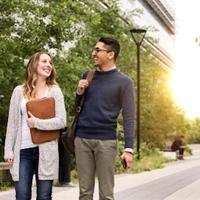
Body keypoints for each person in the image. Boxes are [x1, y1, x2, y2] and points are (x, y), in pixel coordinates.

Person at [75, 37, 135, 200]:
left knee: (106, 195)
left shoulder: (125, 82)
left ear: (110, 54)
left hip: (106, 142)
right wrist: (79, 92)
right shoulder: (88, 76)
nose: (93, 53)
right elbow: (78, 107)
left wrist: (128, 149)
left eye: (97, 50)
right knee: (84, 193)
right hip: (82, 140)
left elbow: (129, 116)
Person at [4, 51, 66, 200]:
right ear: (34, 64)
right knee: (22, 195)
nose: (48, 65)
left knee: (44, 196)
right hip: (23, 151)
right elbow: (12, 124)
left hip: (46, 150)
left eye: (50, 62)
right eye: (44, 61)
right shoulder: (19, 91)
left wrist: (36, 123)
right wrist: (8, 150)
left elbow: (61, 121)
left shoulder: (55, 91)